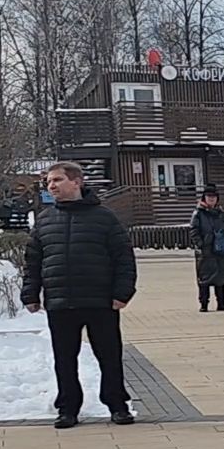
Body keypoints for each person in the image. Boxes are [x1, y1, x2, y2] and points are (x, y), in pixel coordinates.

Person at [21, 161, 137, 430]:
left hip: (101, 301)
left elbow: (124, 259)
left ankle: (117, 405)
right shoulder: (45, 220)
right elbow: (33, 262)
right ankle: (68, 409)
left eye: (57, 180)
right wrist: (30, 293)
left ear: (76, 182)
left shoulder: (104, 217)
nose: (51, 186)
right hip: (60, 302)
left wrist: (123, 293)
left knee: (109, 356)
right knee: (64, 359)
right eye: (48, 182)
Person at [190, 185, 224, 312]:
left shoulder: (222, 214)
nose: (211, 199)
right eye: (209, 196)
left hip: (221, 249)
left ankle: (221, 302)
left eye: (214, 197)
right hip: (206, 250)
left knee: (221, 277)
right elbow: (193, 230)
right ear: (204, 198)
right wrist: (200, 244)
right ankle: (204, 303)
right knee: (204, 278)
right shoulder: (198, 213)